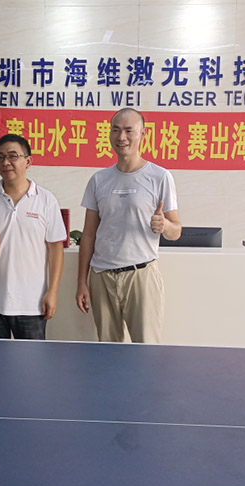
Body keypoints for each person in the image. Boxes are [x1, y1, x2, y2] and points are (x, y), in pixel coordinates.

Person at [75, 108, 181, 343]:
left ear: (143, 134)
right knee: (108, 351)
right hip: (102, 277)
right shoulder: (98, 180)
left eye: (128, 130)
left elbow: (176, 230)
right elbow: (89, 235)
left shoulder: (160, 176)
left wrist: (164, 225)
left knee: (146, 350)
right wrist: (82, 281)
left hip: (140, 276)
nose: (121, 137)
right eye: (115, 130)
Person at [0, 134, 66, 340]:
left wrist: (53, 292)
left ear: (28, 161)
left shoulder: (46, 200)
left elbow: (56, 248)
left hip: (32, 303)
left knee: (32, 360)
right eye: (0, 157)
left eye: (13, 156)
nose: (6, 162)